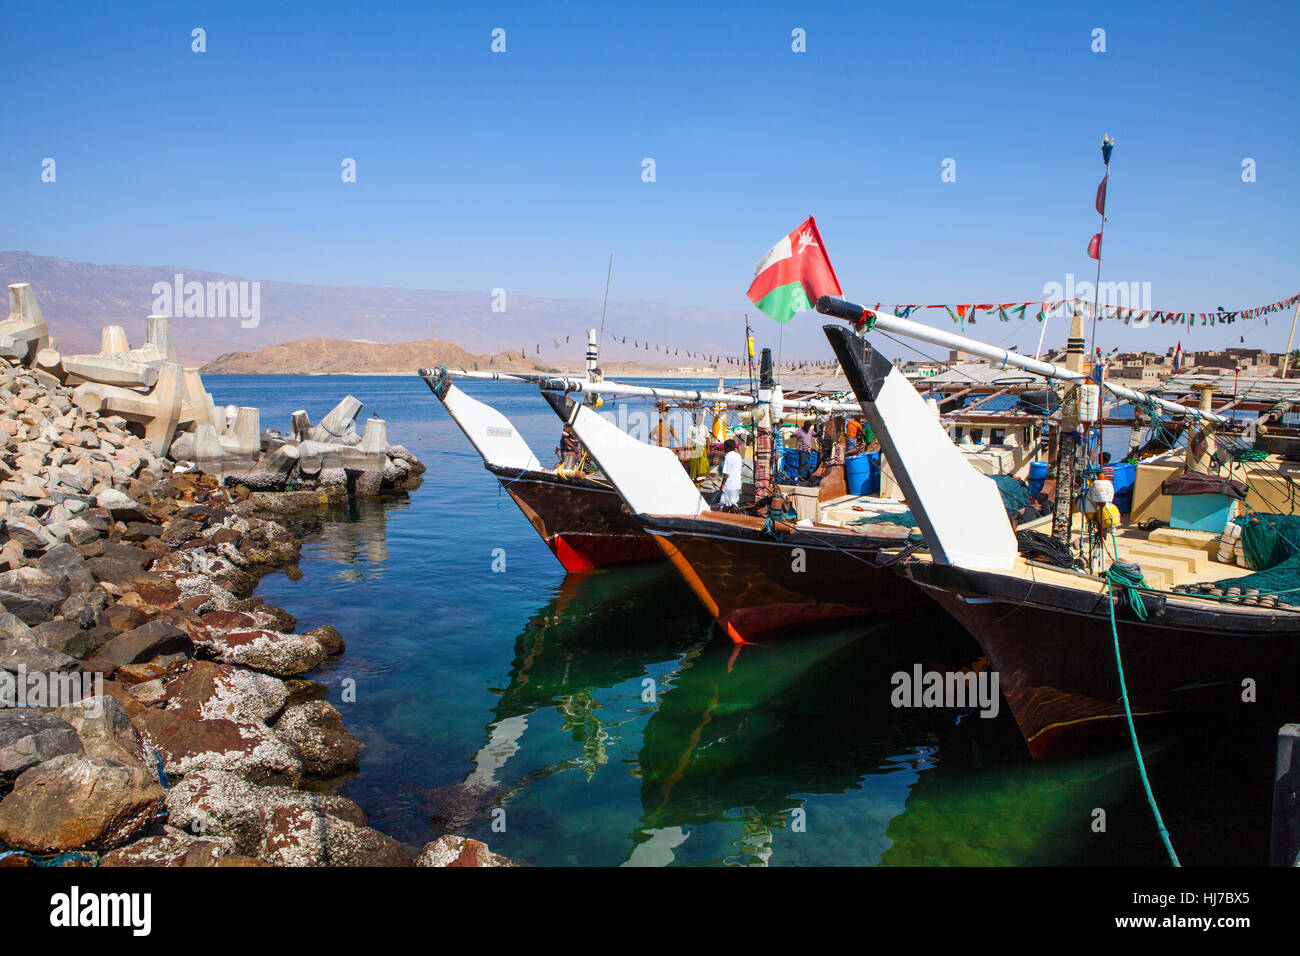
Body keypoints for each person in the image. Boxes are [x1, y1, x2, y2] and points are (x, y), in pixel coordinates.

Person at [719, 438, 743, 507]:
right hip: (737, 484)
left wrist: (722, 485)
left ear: (728, 448)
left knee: (727, 504)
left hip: (729, 485)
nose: (724, 448)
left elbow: (726, 473)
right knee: (734, 503)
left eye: (725, 447)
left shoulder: (728, 457)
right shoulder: (738, 456)